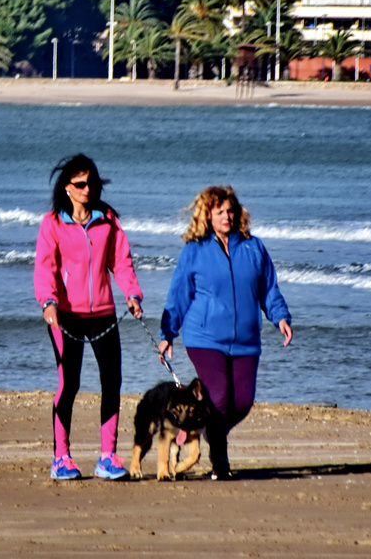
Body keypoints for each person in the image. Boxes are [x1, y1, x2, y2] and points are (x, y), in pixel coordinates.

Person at [157, 185, 292, 480]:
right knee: (218, 398)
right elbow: (179, 294)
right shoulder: (195, 250)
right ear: (208, 215)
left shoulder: (254, 247)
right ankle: (221, 464)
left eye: (231, 210)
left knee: (242, 402)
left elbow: (268, 288)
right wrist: (168, 332)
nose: (227, 216)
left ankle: (205, 428)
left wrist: (279, 316)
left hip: (246, 340)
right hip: (204, 337)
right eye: (220, 212)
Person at [34, 153, 144, 481]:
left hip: (104, 313)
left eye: (91, 183)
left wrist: (132, 294)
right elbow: (45, 268)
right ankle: (61, 458)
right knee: (70, 384)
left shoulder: (107, 219)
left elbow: (120, 262)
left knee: (112, 382)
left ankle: (107, 457)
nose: (87, 189)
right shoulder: (52, 223)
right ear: (67, 187)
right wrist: (49, 302)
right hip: (65, 314)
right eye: (80, 184)